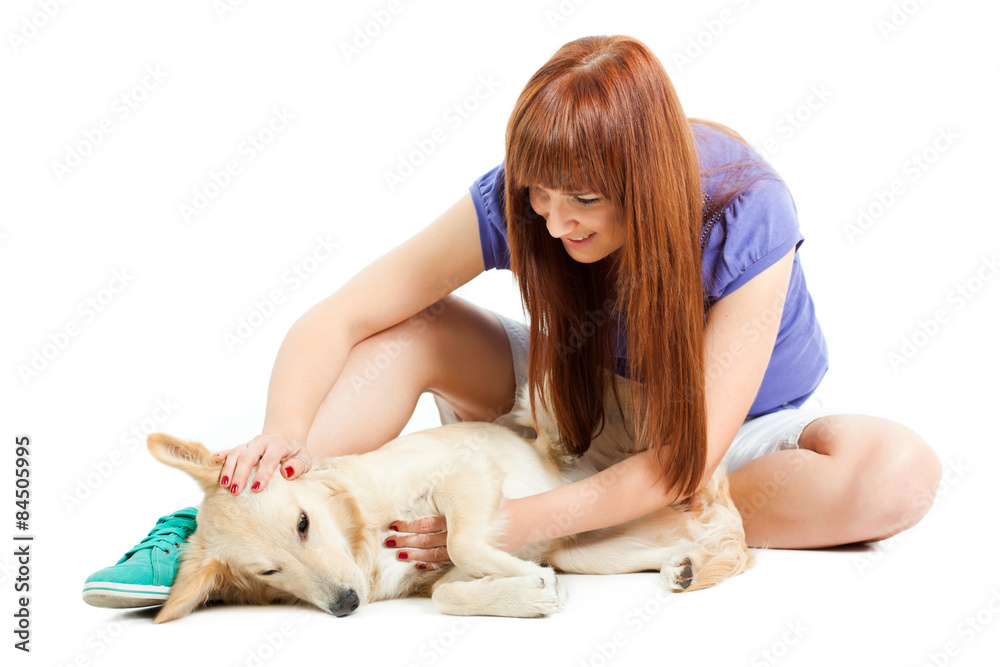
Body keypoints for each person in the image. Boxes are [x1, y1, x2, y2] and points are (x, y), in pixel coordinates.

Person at [83, 34, 942, 608]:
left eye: (586, 200)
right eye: (539, 191)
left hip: (723, 439)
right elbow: (342, 313)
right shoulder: (528, 197)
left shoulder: (746, 209)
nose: (555, 218)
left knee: (899, 472)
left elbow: (688, 453)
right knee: (413, 326)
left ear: (644, 180)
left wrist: (502, 526)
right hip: (577, 402)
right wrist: (281, 430)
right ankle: (233, 521)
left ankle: (601, 518)